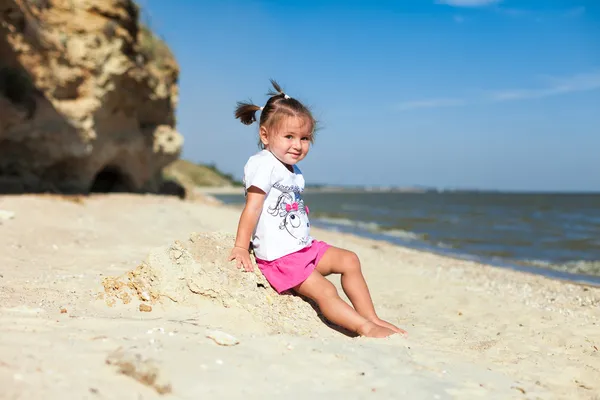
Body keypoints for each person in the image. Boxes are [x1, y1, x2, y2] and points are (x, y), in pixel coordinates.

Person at [228, 80, 407, 338]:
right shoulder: (263, 164)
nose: (298, 145)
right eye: (289, 136)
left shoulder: (292, 170)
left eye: (304, 138)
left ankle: (371, 316)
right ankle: (364, 327)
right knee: (326, 291)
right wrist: (241, 247)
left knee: (350, 259)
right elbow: (252, 208)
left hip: (303, 249)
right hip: (281, 259)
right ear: (265, 135)